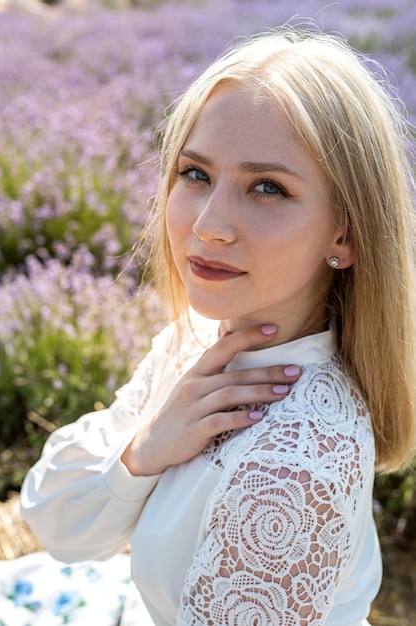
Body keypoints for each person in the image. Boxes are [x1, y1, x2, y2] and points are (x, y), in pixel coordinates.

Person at [20, 25, 416, 626]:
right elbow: (56, 525)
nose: (208, 224)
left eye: (266, 188)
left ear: (346, 233)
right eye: (196, 174)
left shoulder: (290, 469)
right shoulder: (201, 342)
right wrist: (145, 450)